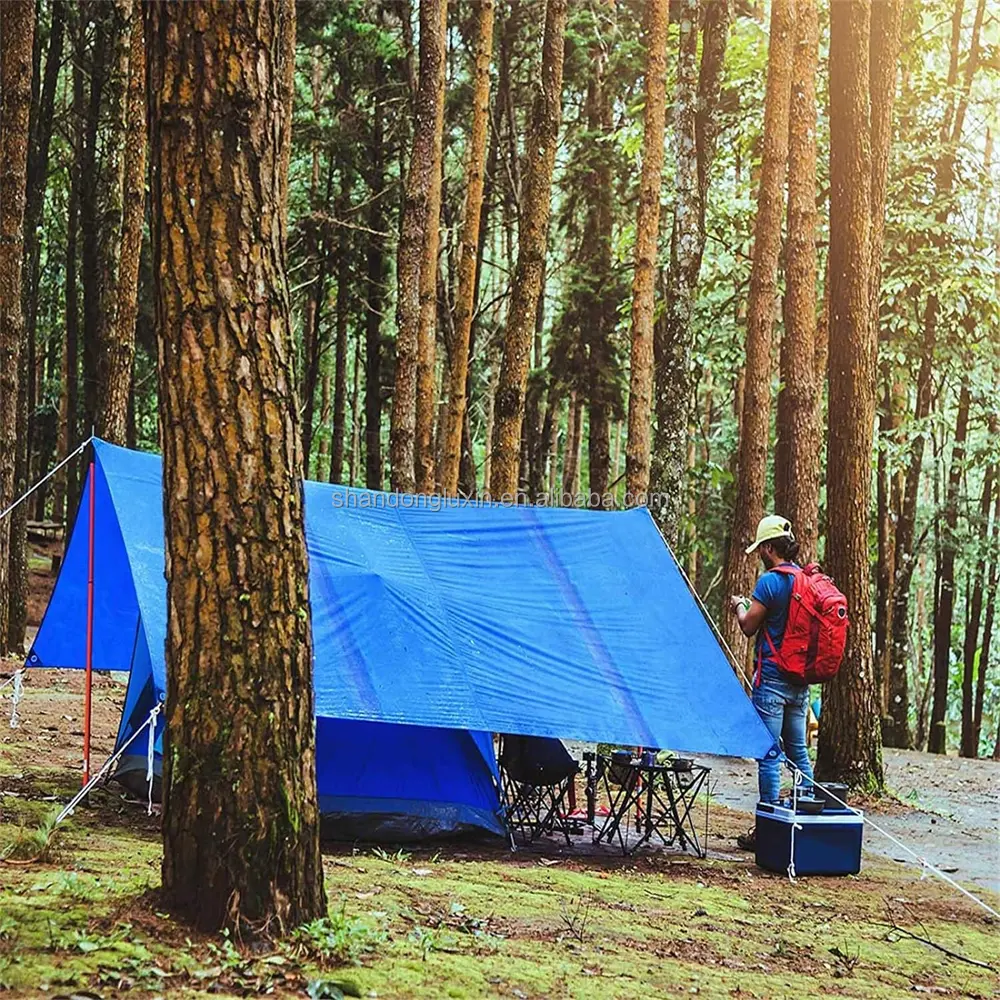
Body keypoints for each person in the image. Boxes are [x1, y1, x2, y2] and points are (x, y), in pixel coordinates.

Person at [729, 514, 814, 850]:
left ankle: (767, 830)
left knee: (768, 755)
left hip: (773, 682)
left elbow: (749, 626)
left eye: (761, 548)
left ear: (768, 548)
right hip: (800, 683)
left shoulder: (770, 582)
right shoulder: (803, 581)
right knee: (798, 753)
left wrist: (739, 607)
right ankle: (806, 824)